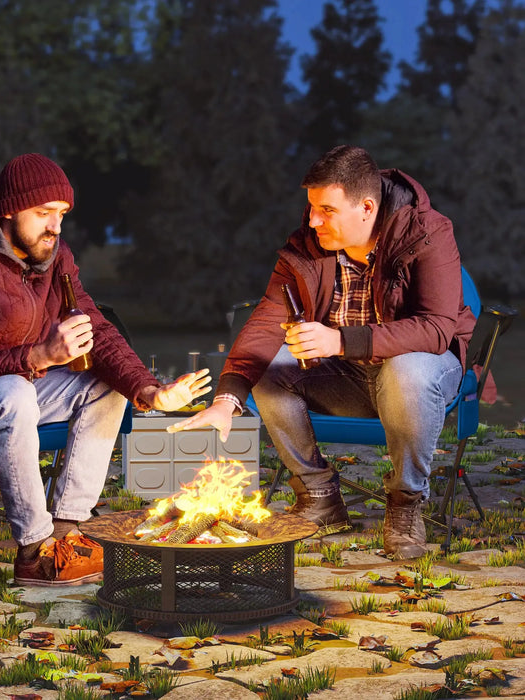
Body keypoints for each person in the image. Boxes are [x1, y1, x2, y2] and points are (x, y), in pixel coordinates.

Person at [0, 153, 210, 585]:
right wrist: (38, 356)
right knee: (14, 392)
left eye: (61, 214)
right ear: (8, 210)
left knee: (106, 387)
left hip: (19, 386)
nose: (55, 227)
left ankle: (67, 533)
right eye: (43, 213)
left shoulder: (54, 257)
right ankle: (34, 552)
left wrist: (150, 392)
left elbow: (95, 327)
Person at [168, 145, 476, 559]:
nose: (313, 220)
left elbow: (436, 329)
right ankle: (320, 497)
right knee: (271, 367)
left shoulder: (427, 232)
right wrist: (227, 400)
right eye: (312, 208)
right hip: (346, 378)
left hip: (421, 374)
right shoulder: (307, 247)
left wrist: (341, 341)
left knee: (408, 371)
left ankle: (405, 503)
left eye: (326, 210)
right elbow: (264, 325)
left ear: (366, 207)